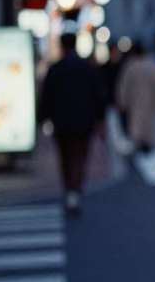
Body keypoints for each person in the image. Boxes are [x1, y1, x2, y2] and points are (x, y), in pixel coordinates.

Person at [39, 32, 106, 216]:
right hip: (83, 120)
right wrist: (100, 119)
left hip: (61, 121)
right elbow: (98, 95)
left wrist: (43, 120)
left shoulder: (55, 69)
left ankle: (69, 190)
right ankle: (75, 192)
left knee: (65, 157)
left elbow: (46, 97)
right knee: (80, 157)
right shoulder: (87, 67)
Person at [116, 41, 155, 154]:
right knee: (148, 123)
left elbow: (124, 86)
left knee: (136, 122)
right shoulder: (150, 66)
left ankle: (137, 142)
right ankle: (147, 143)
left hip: (134, 100)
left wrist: (122, 101)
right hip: (148, 99)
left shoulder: (130, 67)